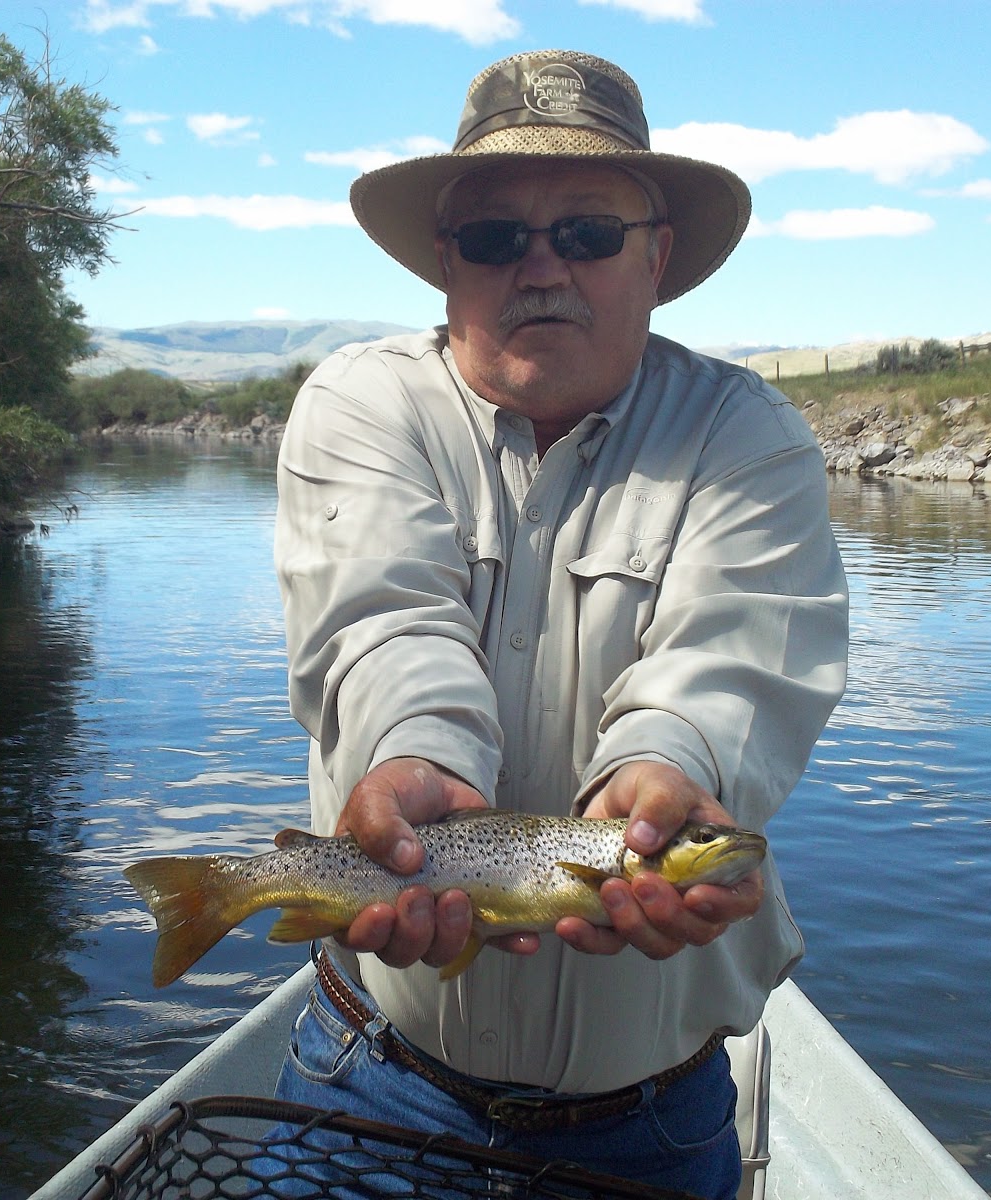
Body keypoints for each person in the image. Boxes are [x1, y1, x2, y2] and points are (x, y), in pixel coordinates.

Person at [268, 49, 849, 1199]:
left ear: (657, 253)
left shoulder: (749, 437)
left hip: (650, 1124)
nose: (539, 268)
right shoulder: (358, 402)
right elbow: (382, 618)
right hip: (368, 1078)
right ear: (447, 261)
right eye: (494, 239)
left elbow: (730, 658)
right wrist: (415, 756)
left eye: (585, 232)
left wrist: (665, 765)